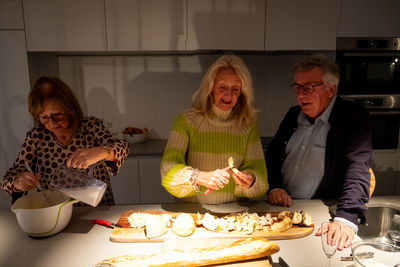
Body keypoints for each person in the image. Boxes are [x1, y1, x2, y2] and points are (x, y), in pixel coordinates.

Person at [266, 54, 373, 250]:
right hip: (281, 210)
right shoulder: (292, 115)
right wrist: (274, 186)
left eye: (308, 87)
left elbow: (357, 169)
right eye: (298, 87)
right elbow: (272, 156)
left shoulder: (352, 118)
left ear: (331, 89)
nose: (300, 94)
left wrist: (346, 217)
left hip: (321, 213)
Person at [1, 76, 129, 205]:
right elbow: (7, 180)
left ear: (70, 108)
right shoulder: (37, 137)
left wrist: (103, 152)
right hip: (56, 212)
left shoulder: (90, 127)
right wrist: (18, 183)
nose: (51, 124)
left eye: (57, 115)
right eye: (44, 117)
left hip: (98, 210)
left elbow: (122, 147)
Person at [161, 54, 268, 204]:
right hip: (191, 213)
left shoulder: (247, 126)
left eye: (235, 89)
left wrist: (251, 180)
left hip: (233, 214)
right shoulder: (186, 121)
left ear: (242, 94)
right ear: (210, 89)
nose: (229, 94)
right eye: (222, 87)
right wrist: (198, 177)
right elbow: (167, 171)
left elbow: (261, 178)